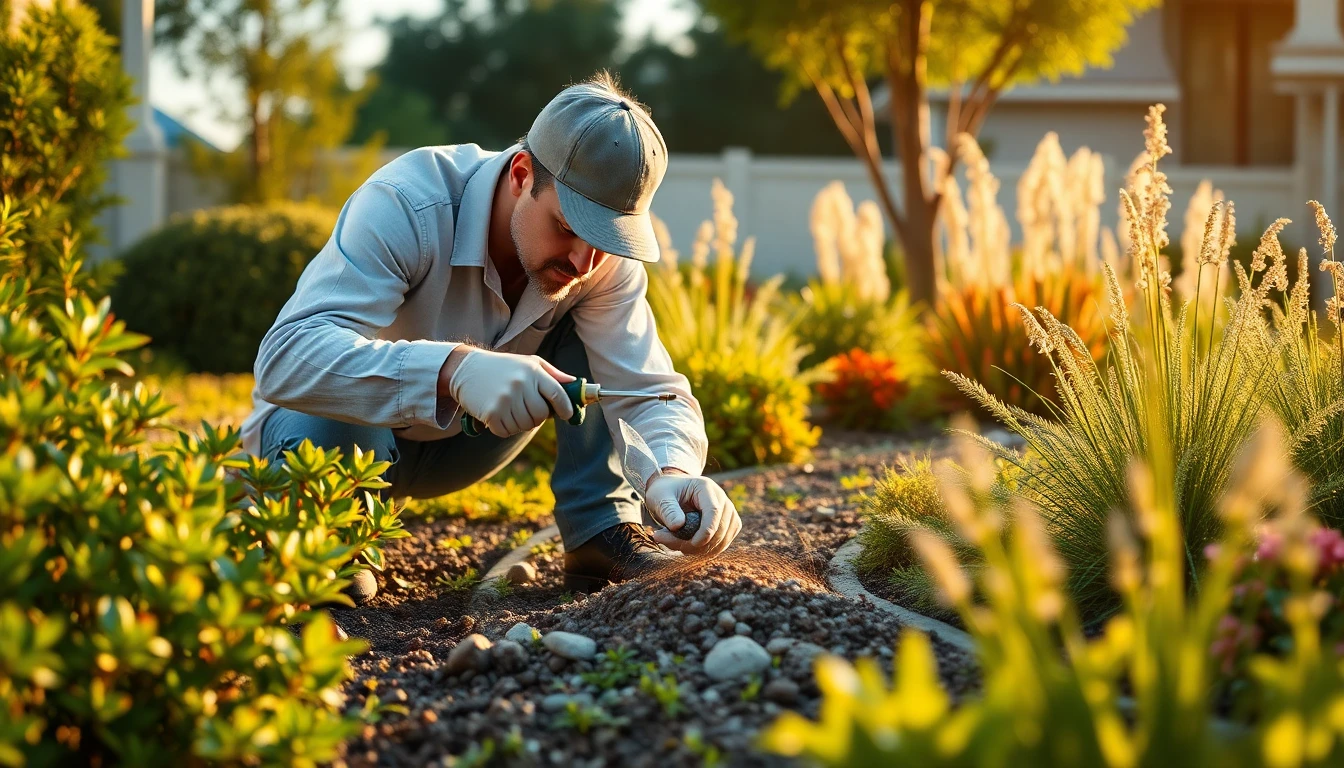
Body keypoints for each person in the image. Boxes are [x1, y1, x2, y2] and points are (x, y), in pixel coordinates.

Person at [239, 71, 742, 600]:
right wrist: (455, 369)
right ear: (522, 174)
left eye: (605, 238)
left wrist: (671, 471)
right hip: (336, 441)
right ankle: (337, 534)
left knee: (587, 318)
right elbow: (285, 358)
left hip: (465, 446)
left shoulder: (599, 263)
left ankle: (601, 531)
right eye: (569, 227)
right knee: (341, 590)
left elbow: (643, 385)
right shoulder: (408, 205)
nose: (584, 259)